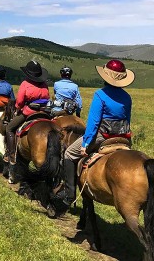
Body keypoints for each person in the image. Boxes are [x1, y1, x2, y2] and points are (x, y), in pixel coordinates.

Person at [56, 59, 135, 212]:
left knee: (69, 154)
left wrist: (86, 144)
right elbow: (128, 119)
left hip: (103, 136)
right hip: (123, 138)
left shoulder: (100, 95)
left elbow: (93, 123)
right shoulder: (127, 97)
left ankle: (69, 194)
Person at [5, 60, 50, 164]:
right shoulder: (44, 84)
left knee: (9, 128)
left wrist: (17, 108)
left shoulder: (25, 83)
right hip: (45, 112)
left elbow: (20, 101)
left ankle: (11, 154)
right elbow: (47, 96)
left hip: (29, 111)